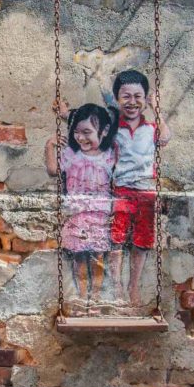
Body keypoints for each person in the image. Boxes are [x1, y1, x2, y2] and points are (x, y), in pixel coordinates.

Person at [105, 69, 171, 305]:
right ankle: (117, 288)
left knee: (142, 241)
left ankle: (134, 286)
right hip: (120, 190)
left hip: (146, 192)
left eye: (138, 96)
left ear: (145, 99)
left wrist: (157, 109)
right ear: (116, 99)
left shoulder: (151, 129)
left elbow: (165, 138)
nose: (132, 102)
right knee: (117, 239)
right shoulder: (113, 130)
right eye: (126, 96)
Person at [44, 102, 119, 308]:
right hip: (76, 215)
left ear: (103, 132)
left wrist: (68, 114)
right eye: (76, 132)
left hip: (99, 215)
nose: (81, 137)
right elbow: (52, 170)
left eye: (87, 132)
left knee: (98, 257)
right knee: (79, 257)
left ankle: (95, 297)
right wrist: (49, 146)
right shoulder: (71, 154)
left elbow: (116, 127)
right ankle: (81, 295)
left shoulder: (109, 155)